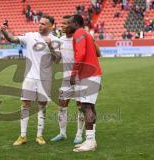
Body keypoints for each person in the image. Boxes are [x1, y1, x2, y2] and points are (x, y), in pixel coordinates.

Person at [0, 14, 61, 146]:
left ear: (51, 26)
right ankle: (22, 136)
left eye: (43, 24)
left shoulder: (56, 40)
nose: (40, 25)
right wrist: (5, 31)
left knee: (42, 106)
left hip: (45, 79)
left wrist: (50, 46)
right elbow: (12, 39)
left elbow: (57, 59)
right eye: (40, 23)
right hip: (29, 77)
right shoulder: (30, 36)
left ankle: (39, 135)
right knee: (25, 105)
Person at [67, 14, 102, 152]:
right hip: (92, 74)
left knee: (86, 107)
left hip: (88, 74)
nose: (68, 25)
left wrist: (74, 73)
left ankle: (89, 141)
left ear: (75, 23)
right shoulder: (85, 33)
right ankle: (91, 140)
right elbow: (97, 53)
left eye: (69, 22)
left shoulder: (79, 33)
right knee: (89, 107)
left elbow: (80, 54)